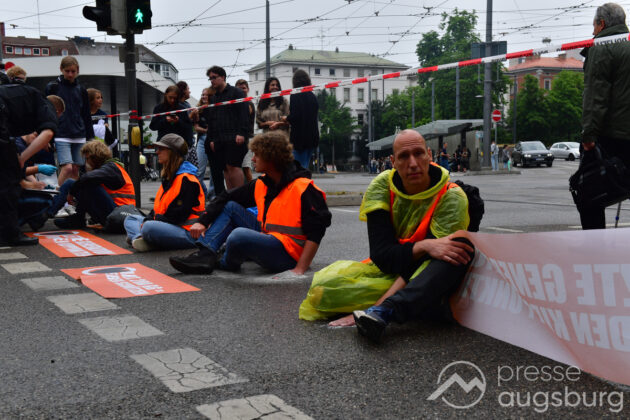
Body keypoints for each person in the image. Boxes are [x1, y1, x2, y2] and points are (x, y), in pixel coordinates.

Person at [299, 130, 474, 343]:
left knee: (457, 249)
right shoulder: (382, 186)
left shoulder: (451, 196)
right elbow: (382, 256)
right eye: (403, 156)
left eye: (419, 153)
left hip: (427, 271)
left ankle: (388, 311)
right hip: (392, 268)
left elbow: (430, 261)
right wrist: (424, 245)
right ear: (393, 162)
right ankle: (426, 304)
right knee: (324, 290)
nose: (413, 163)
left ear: (430, 155)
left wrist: (378, 307)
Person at [169, 130, 331, 275]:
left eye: (256, 155)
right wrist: (203, 221)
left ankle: (225, 261)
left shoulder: (303, 188)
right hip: (269, 239)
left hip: (289, 255)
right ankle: (205, 255)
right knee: (231, 207)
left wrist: (300, 269)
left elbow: (317, 231)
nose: (253, 159)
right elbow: (226, 196)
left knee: (239, 236)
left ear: (271, 157)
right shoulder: (263, 183)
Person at [579, 2, 630, 229]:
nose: (593, 32)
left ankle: (594, 242)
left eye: (594, 26)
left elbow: (595, 94)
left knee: (589, 192)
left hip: (611, 135)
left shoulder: (602, 47)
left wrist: (589, 135)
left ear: (601, 23)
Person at [0, 71, 58, 245]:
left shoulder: (22, 97)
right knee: (8, 183)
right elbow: (47, 134)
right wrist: (22, 159)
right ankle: (10, 235)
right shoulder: (46, 106)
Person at [124, 134, 204, 252]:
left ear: (173, 153)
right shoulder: (170, 177)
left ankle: (143, 237)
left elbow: (178, 216)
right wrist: (149, 219)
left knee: (148, 227)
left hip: (187, 231)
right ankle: (140, 238)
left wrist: (151, 221)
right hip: (167, 224)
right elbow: (158, 209)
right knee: (131, 218)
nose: (157, 152)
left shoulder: (187, 180)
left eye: (161, 149)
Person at [48, 140, 135, 229]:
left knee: (79, 183)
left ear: (94, 157)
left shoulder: (111, 167)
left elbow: (87, 178)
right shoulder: (108, 168)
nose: (86, 162)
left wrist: (71, 193)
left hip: (119, 214)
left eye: (87, 158)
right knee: (83, 184)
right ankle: (77, 220)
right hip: (117, 213)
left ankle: (48, 212)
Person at [45, 56, 94, 187]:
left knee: (75, 169)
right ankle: (56, 195)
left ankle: (70, 197)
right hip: (61, 133)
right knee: (67, 168)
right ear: (61, 69)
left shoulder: (81, 89)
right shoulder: (53, 87)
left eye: (73, 71)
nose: (70, 74)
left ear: (77, 70)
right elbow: (47, 112)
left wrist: (90, 138)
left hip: (79, 133)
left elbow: (86, 114)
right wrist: (49, 137)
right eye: (67, 71)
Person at [204, 66, 249, 191]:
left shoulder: (236, 92)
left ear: (223, 77)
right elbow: (213, 121)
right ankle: (231, 197)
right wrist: (212, 139)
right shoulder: (214, 98)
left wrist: (241, 133)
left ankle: (240, 197)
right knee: (225, 169)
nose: (212, 81)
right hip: (219, 139)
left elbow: (244, 114)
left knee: (233, 167)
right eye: (210, 78)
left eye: (214, 77)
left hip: (234, 138)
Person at [282, 69, 319, 169]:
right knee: (304, 167)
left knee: (298, 169)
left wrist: (286, 118)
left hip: (299, 139)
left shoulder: (295, 95)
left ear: (295, 81)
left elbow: (295, 116)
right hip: (312, 138)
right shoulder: (312, 96)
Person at [193, 87, 215, 198]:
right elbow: (196, 127)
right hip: (202, 139)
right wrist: (206, 130)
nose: (203, 96)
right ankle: (201, 193)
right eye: (202, 94)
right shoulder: (198, 110)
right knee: (199, 169)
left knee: (214, 169)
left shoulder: (215, 108)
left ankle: (212, 194)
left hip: (214, 138)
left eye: (206, 94)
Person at [235, 79, 255, 182]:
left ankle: (252, 189)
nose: (242, 90)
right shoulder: (235, 104)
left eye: (244, 88)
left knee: (246, 167)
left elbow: (245, 119)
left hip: (247, 139)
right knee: (237, 168)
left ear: (248, 89)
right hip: (235, 139)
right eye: (239, 88)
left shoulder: (249, 104)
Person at [87, 88, 117, 157]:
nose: (101, 100)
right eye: (98, 98)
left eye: (101, 97)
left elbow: (106, 126)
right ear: (91, 100)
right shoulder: (83, 113)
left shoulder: (103, 114)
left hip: (98, 145)